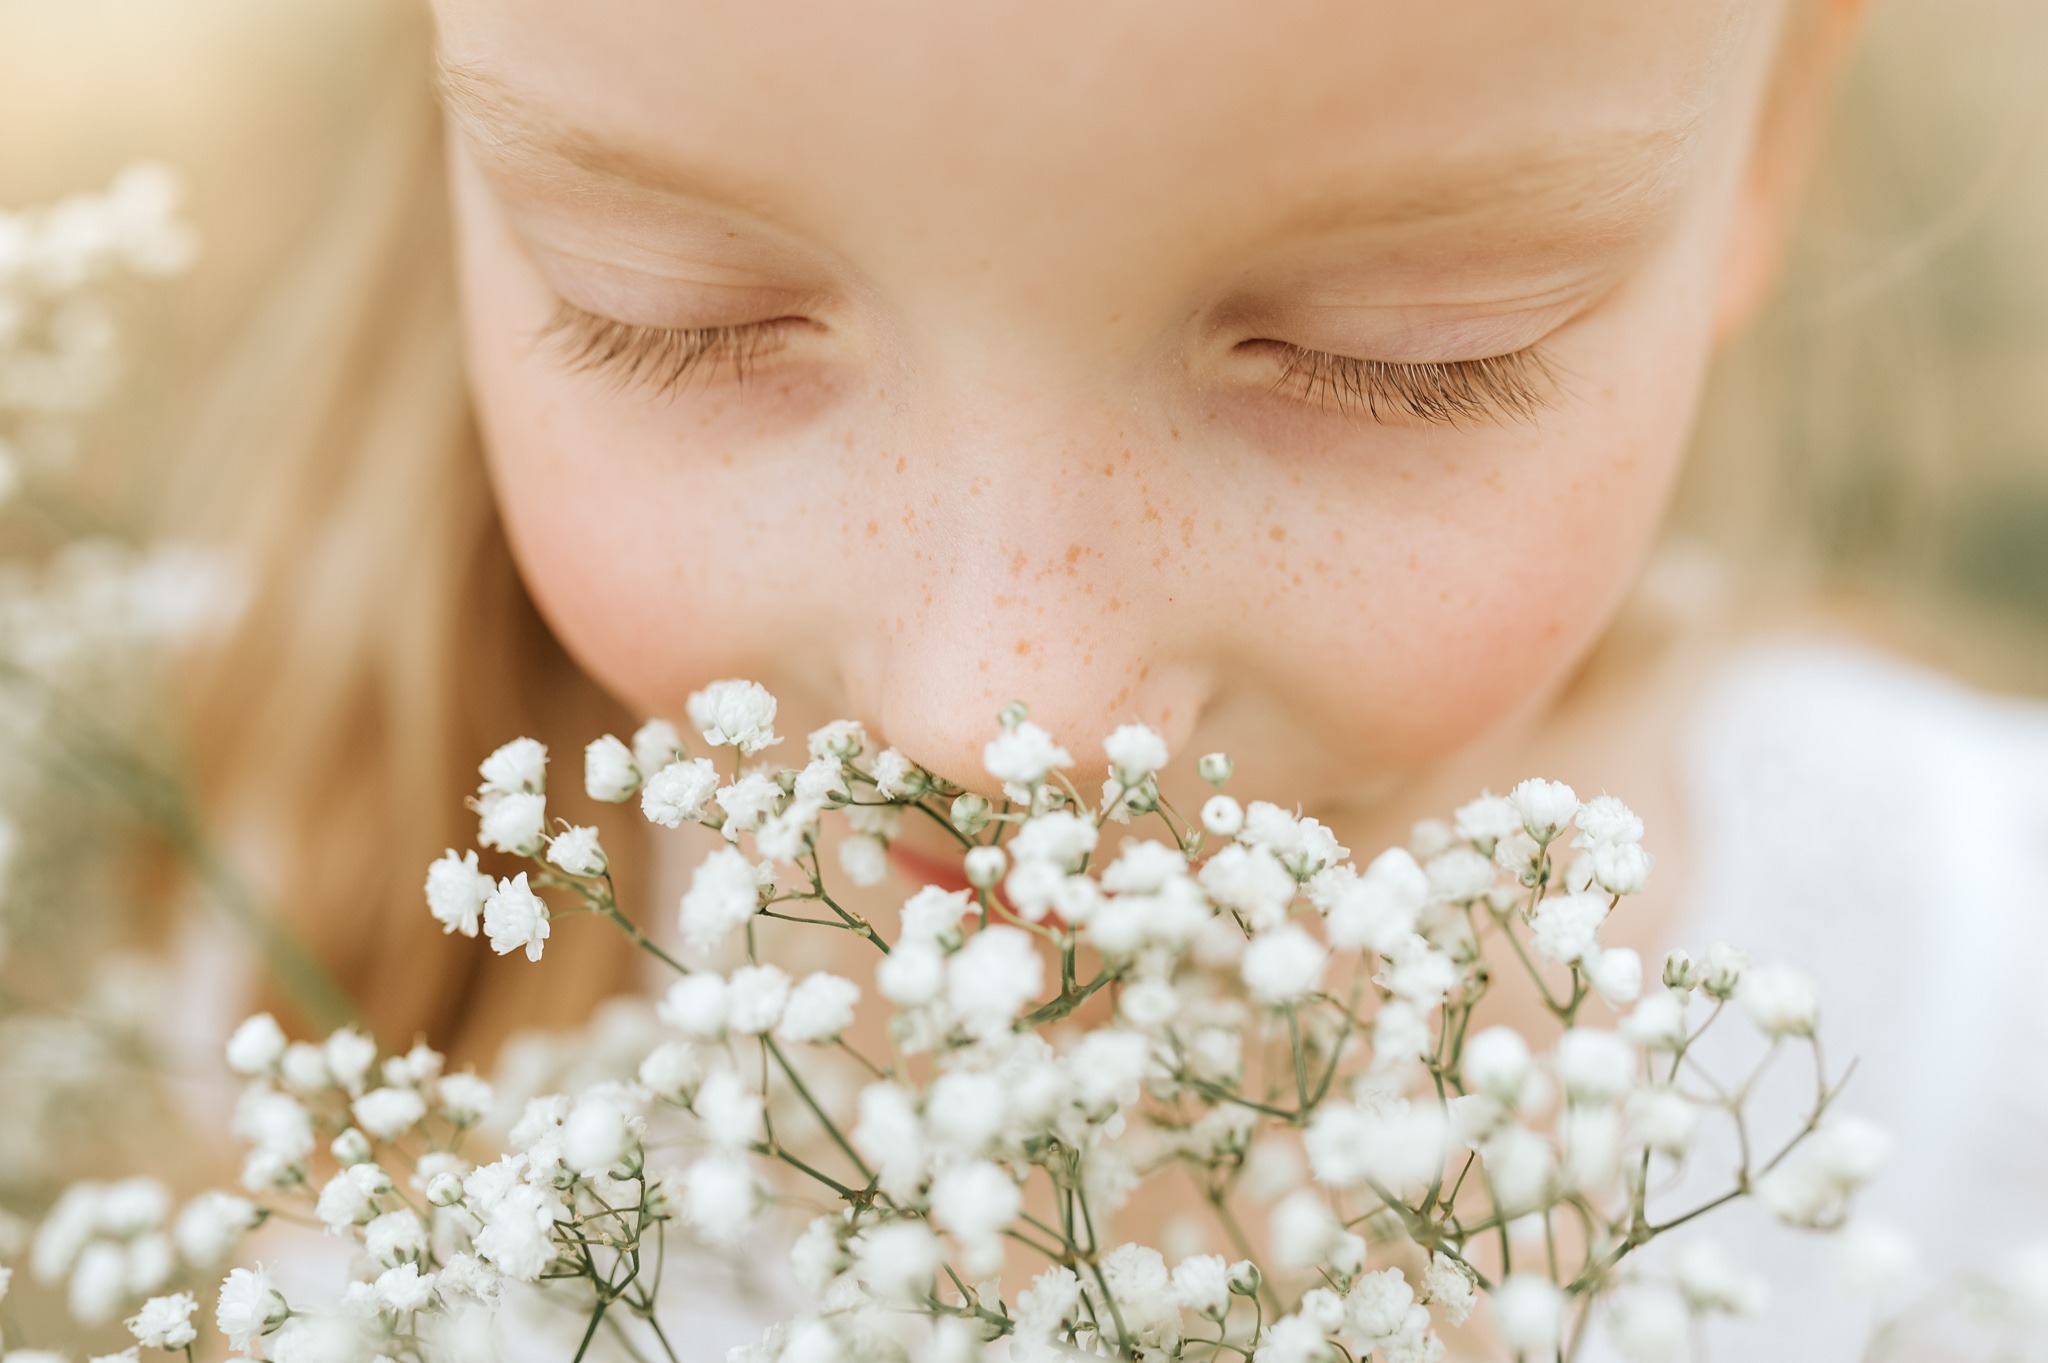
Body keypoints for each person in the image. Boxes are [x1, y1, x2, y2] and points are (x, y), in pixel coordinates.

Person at [155, 0, 2047, 1355]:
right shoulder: (295, 921)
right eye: (678, 310)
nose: (1006, 713)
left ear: (1768, 150)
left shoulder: (1982, 1035)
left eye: (1393, 353)